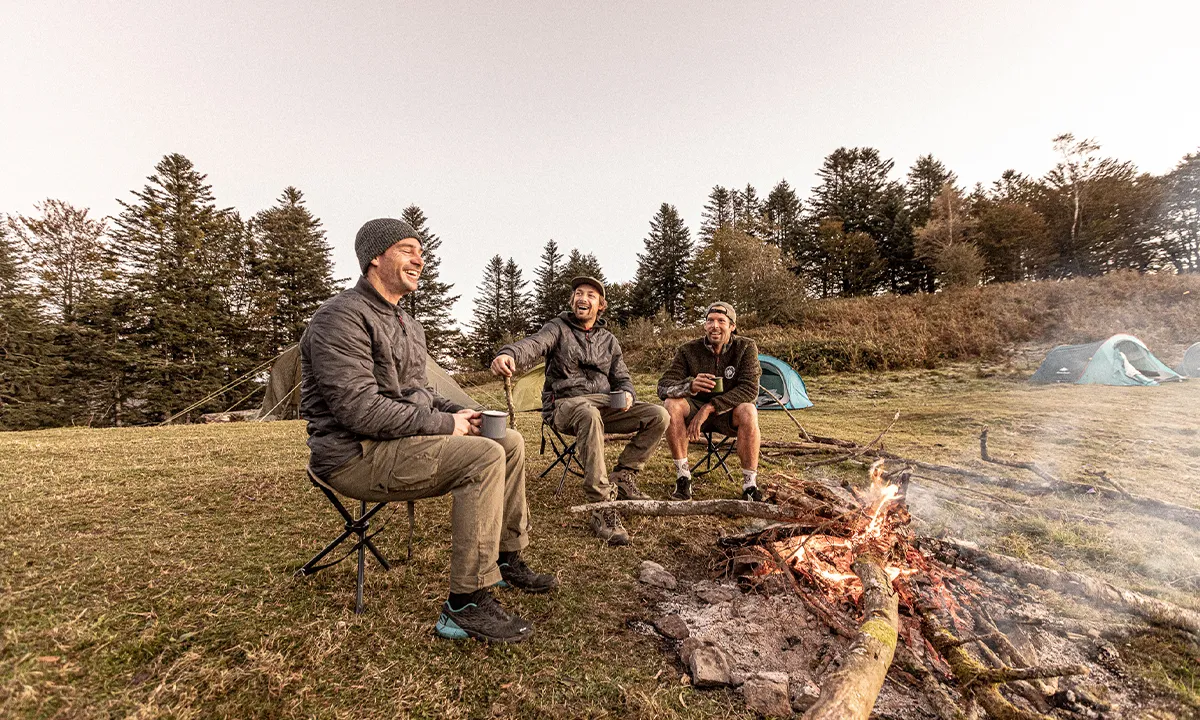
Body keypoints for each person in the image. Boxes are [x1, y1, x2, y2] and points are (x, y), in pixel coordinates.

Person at [300, 218, 556, 644]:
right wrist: (445, 424)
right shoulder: (340, 318)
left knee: (506, 441)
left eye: (421, 251)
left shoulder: (407, 325)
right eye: (406, 249)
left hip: (398, 442)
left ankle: (506, 557)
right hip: (354, 455)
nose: (420, 259)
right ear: (374, 258)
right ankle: (466, 604)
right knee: (484, 457)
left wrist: (467, 412)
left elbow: (422, 394)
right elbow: (359, 410)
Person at [490, 276, 669, 545]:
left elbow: (622, 379)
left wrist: (629, 394)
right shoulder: (557, 328)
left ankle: (623, 474)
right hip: (564, 404)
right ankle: (601, 505)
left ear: (601, 305)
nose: (583, 298)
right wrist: (509, 354)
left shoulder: (609, 341)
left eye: (591, 295)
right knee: (587, 412)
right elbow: (534, 344)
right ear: (572, 300)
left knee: (659, 414)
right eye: (579, 293)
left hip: (604, 403)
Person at [657, 301, 763, 502]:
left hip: (728, 413)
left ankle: (750, 484)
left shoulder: (746, 347)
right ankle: (683, 476)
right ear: (705, 325)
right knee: (672, 404)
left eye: (721, 321)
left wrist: (710, 407)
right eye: (710, 321)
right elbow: (663, 386)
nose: (715, 326)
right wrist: (690, 386)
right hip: (694, 411)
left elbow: (750, 389)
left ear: (732, 326)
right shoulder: (688, 350)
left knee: (749, 410)